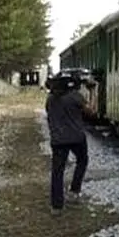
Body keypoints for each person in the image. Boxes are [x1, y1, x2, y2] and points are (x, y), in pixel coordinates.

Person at [45, 72, 94, 214]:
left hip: (58, 139)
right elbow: (91, 112)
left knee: (57, 171)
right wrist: (93, 91)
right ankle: (74, 191)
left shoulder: (50, 98)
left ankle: (56, 206)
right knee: (82, 160)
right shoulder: (75, 96)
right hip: (76, 138)